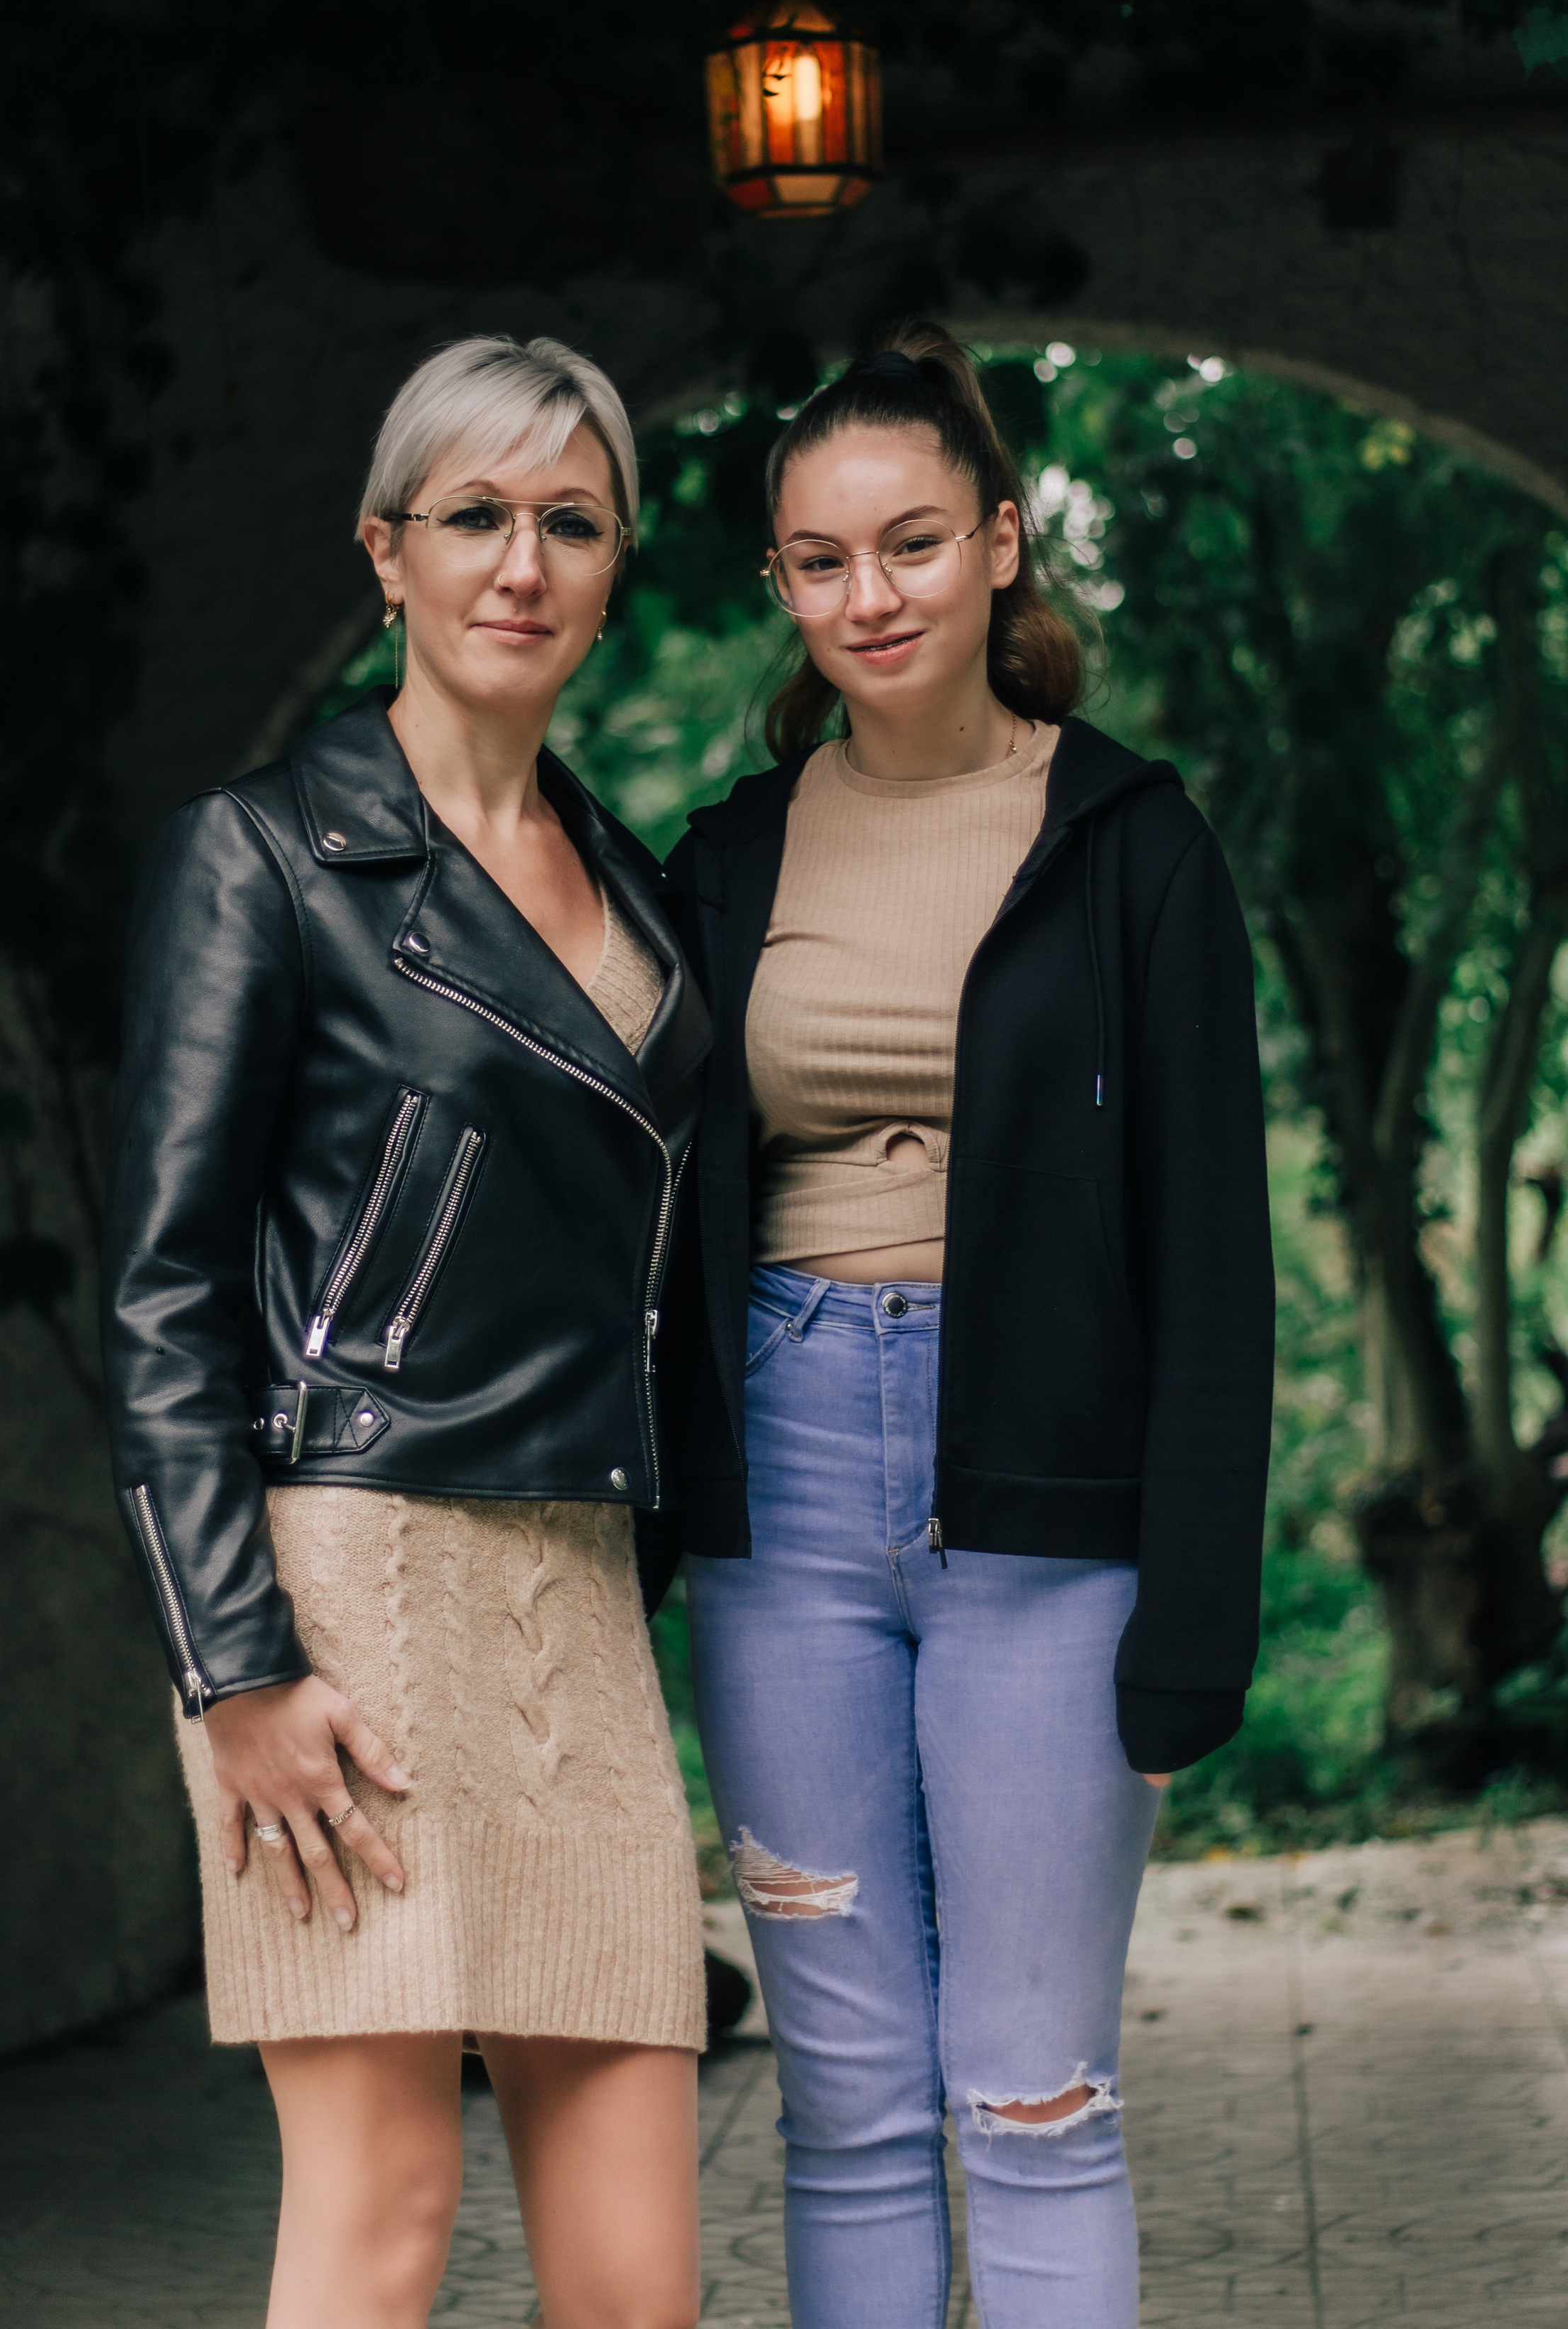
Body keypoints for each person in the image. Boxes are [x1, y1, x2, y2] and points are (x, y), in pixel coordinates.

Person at [656, 323, 1275, 2329]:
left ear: (1003, 545)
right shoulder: (727, 861)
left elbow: (1215, 1267)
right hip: (786, 1496)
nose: (871, 597)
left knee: (1031, 2091)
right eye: (822, 562)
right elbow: (647, 1208)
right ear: (780, 586)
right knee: (842, 2103)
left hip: (1051, 1522)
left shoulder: (1134, 848)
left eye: (912, 544)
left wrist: (1196, 1608)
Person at [101, 335, 711, 2329]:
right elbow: (168, 1296)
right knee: (382, 2222)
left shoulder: (639, 885)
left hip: (577, 1588)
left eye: (570, 521)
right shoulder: (263, 856)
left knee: (635, 2281)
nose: (521, 563)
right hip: (344, 1592)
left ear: (616, 563)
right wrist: (234, 1668)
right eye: (475, 517)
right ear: (387, 551)